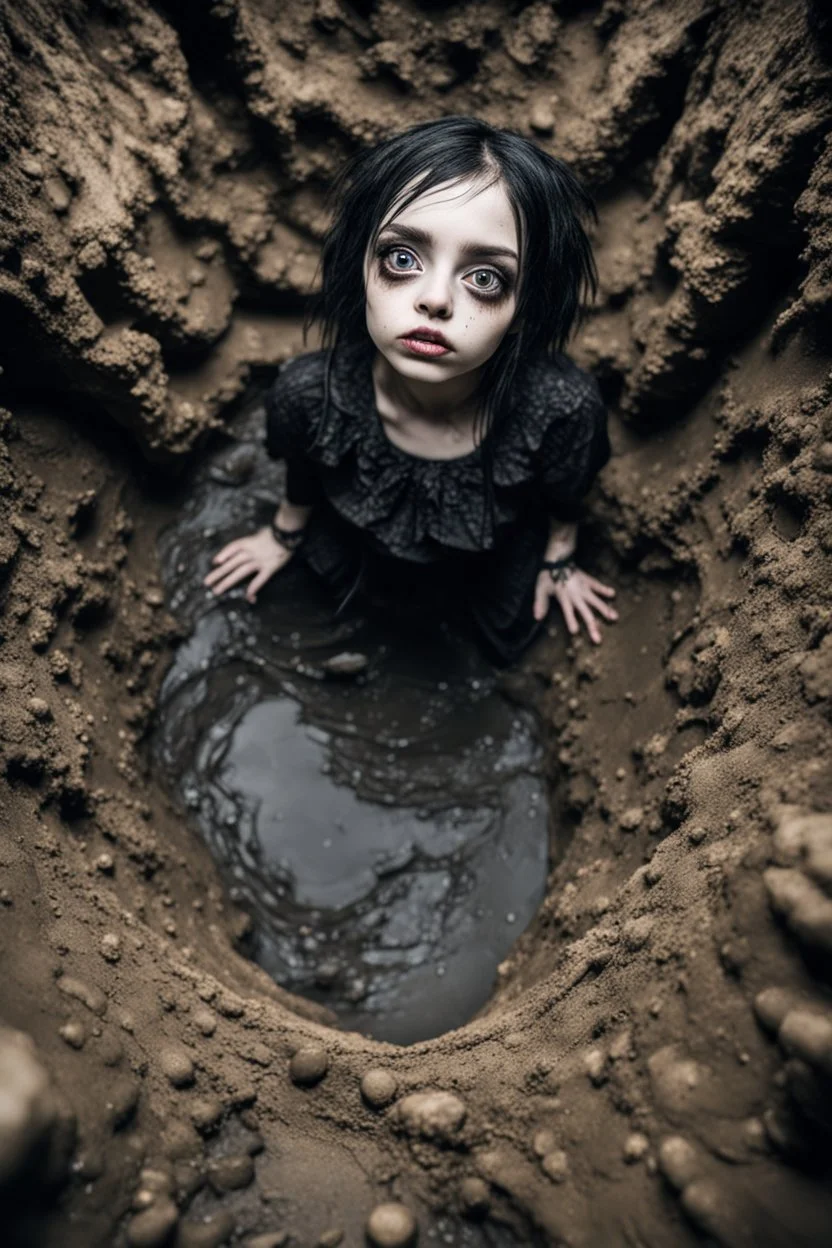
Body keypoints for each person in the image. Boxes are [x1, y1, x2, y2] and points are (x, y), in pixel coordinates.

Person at [204, 116, 617, 665]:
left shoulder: (562, 409)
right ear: (363, 271)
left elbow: (567, 493)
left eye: (485, 277)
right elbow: (302, 473)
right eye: (403, 259)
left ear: (523, 311)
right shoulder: (308, 394)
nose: (435, 299)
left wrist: (559, 558)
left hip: (493, 560)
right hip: (356, 549)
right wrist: (283, 534)